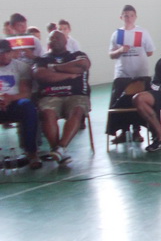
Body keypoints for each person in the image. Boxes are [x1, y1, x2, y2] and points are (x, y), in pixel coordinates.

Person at [32, 30, 92, 165]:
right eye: (51, 38)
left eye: (58, 38)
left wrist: (54, 68)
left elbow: (83, 65)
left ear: (66, 40)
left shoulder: (77, 55)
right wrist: (69, 74)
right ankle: (58, 150)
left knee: (77, 110)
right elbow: (40, 75)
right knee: (47, 113)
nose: (54, 40)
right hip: (50, 96)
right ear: (48, 43)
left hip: (76, 95)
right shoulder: (42, 60)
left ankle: (60, 148)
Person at [107, 5, 155, 144]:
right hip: (122, 75)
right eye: (126, 16)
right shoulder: (117, 34)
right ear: (121, 17)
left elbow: (150, 51)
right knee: (121, 104)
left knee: (140, 102)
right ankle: (123, 132)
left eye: (131, 15)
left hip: (140, 74)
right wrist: (120, 50)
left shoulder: (142, 32)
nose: (129, 18)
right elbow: (111, 54)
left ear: (136, 17)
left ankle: (137, 131)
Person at [0, 39, 41, 168]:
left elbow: (26, 93)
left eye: (7, 52)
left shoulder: (21, 67)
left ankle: (31, 152)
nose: (4, 56)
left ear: (11, 52)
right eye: (1, 53)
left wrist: (10, 98)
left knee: (28, 106)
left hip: (15, 102)